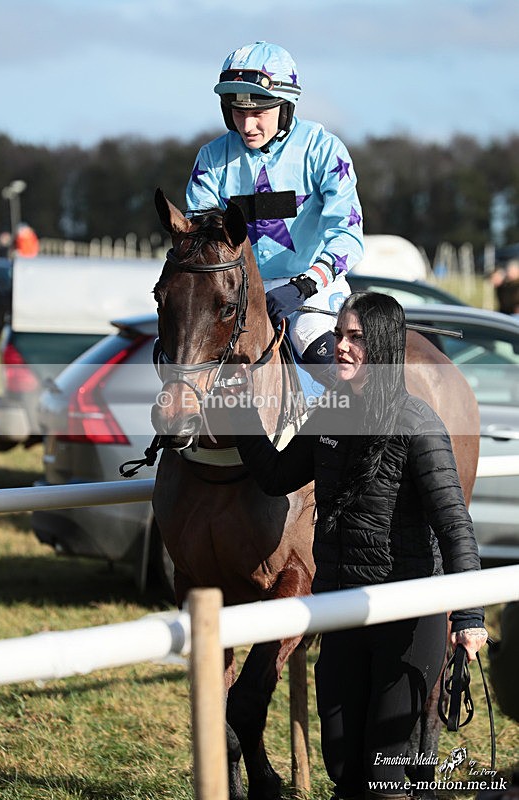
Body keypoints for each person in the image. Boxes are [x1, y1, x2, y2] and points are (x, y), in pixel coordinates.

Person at [223, 292, 488, 799]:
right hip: (341, 612)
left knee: (384, 778)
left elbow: (455, 527)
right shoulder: (329, 414)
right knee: (343, 765)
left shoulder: (420, 424)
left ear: (383, 347)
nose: (340, 348)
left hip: (407, 621)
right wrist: (238, 409)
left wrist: (471, 617)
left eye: (355, 338)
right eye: (339, 335)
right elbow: (277, 474)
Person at [185, 41, 364, 370]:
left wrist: (304, 285)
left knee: (313, 344)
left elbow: (348, 236)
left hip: (312, 290)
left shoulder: (324, 150)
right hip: (235, 292)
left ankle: (351, 417)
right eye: (238, 111)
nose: (247, 126)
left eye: (258, 113)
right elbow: (199, 237)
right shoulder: (211, 158)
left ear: (285, 107)